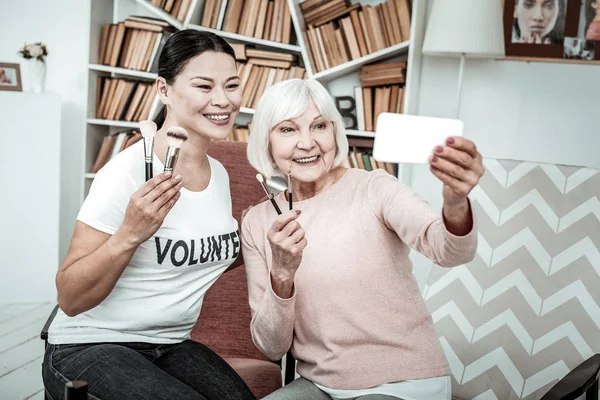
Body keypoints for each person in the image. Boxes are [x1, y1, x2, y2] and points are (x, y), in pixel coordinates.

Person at [43, 30, 256, 400]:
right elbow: (70, 297)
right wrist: (129, 234)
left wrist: (263, 233)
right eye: (204, 86)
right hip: (88, 346)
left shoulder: (218, 174)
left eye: (232, 85)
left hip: (169, 344)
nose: (223, 100)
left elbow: (200, 253)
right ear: (164, 90)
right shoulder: (125, 173)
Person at [241, 79, 484, 400]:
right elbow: (271, 346)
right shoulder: (257, 222)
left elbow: (450, 252)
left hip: (405, 382)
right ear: (266, 142)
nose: (307, 142)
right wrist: (282, 275)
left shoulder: (374, 187)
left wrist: (455, 200)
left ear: (334, 132)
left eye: (319, 126)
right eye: (287, 130)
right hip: (320, 386)